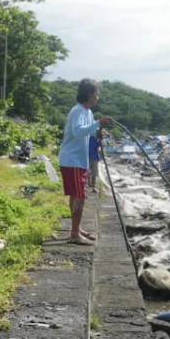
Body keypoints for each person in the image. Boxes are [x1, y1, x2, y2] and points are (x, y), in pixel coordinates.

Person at [57, 79, 111, 245]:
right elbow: (78, 131)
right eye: (96, 94)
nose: (98, 97)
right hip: (72, 160)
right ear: (89, 95)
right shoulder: (78, 111)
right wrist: (97, 124)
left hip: (78, 160)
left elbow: (88, 132)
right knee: (80, 196)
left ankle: (77, 228)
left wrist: (97, 133)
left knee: (76, 195)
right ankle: (74, 234)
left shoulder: (87, 112)